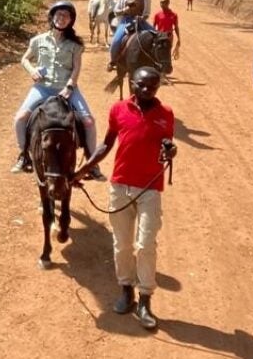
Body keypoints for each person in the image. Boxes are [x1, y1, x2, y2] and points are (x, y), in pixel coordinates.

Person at [71, 66, 176, 331]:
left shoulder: (166, 114)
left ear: (157, 87)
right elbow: (106, 144)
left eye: (152, 86)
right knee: (121, 244)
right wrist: (82, 170)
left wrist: (170, 150)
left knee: (146, 244)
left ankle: (145, 300)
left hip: (150, 189)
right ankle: (126, 290)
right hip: (120, 187)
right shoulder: (118, 110)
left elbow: (167, 145)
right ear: (131, 83)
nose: (146, 90)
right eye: (141, 85)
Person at [11, 0, 102, 181]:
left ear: (70, 21)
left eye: (66, 16)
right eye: (59, 15)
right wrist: (32, 70)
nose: (62, 18)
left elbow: (76, 68)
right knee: (20, 118)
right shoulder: (38, 40)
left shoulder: (75, 45)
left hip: (66, 88)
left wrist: (69, 87)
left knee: (89, 121)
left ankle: (92, 163)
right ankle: (24, 156)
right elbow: (24, 59)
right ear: (52, 17)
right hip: (42, 88)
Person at [107, 0, 153, 71]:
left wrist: (142, 18)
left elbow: (147, 13)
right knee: (116, 40)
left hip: (140, 21)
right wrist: (124, 10)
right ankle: (113, 61)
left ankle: (157, 63)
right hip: (126, 20)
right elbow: (116, 11)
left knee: (157, 35)